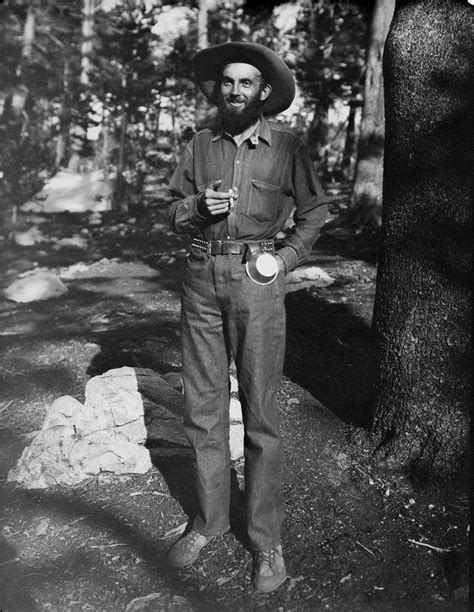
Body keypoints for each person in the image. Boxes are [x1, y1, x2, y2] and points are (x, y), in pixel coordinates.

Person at [166, 41, 328, 593]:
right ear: (220, 90)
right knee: (202, 410)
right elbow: (172, 209)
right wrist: (196, 208)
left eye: (247, 83)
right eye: (228, 82)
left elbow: (315, 212)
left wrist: (283, 261)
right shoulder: (199, 144)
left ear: (264, 93)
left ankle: (265, 541)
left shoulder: (287, 145)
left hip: (257, 282)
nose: (236, 91)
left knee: (260, 414)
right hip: (199, 280)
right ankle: (208, 521)